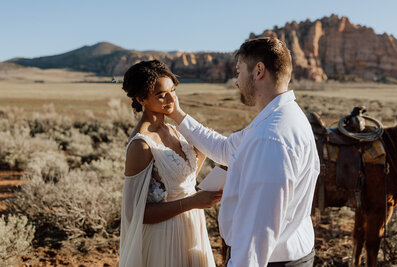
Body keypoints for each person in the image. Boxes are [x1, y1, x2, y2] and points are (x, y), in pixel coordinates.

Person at [167, 37, 320, 266]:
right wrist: (178, 115)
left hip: (271, 261)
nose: (236, 81)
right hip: (292, 254)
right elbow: (224, 149)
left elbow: (258, 229)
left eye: (239, 71)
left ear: (259, 71)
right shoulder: (283, 117)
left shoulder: (271, 137)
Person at [118, 60, 222, 267]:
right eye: (161, 94)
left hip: (193, 227)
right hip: (164, 239)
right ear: (141, 99)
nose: (171, 98)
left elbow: (182, 181)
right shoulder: (142, 144)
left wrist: (201, 151)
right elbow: (134, 213)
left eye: (173, 90)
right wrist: (192, 202)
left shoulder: (173, 130)